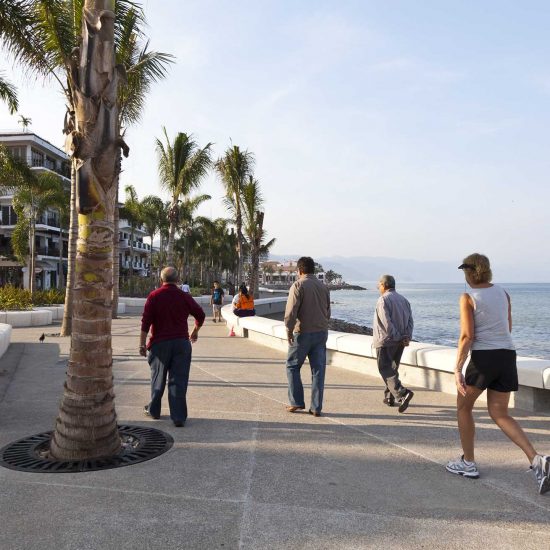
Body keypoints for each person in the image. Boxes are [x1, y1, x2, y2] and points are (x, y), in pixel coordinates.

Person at [446, 253, 550, 493]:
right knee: (499, 413)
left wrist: (457, 368)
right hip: (506, 356)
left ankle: (468, 463)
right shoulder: (503, 293)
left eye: (465, 273)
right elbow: (508, 326)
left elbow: (467, 336)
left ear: (470, 273)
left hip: (485, 358)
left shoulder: (467, 297)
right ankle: (537, 461)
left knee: (463, 408)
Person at [139, 266, 205, 427]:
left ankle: (154, 411)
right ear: (178, 280)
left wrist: (141, 343)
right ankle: (178, 417)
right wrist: (195, 331)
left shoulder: (154, 296)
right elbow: (200, 314)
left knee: (158, 379)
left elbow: (146, 322)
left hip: (159, 345)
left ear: (161, 280)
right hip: (181, 344)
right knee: (179, 380)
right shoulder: (184, 296)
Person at [284, 256, 331, 417]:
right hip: (321, 332)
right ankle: (316, 407)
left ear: (300, 270)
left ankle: (296, 402)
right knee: (318, 370)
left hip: (303, 332)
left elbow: (291, 312)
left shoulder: (298, 285)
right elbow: (327, 312)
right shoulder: (323, 287)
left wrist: (289, 330)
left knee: (292, 366)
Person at [373, 274, 414, 413]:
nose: (378, 287)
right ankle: (389, 397)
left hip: (386, 341)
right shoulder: (404, 300)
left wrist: (396, 336)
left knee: (385, 369)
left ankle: (402, 393)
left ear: (384, 285)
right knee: (392, 370)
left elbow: (386, 323)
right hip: (400, 342)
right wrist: (406, 337)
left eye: (379, 285)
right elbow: (410, 321)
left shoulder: (383, 300)